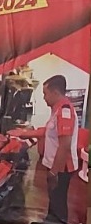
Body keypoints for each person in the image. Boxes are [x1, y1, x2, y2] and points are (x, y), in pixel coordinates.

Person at [9, 75, 78, 224]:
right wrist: (23, 133)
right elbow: (47, 131)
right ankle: (49, 220)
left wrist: (54, 171)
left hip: (61, 167)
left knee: (58, 204)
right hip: (54, 164)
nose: (44, 98)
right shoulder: (57, 109)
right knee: (53, 201)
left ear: (55, 92)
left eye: (45, 94)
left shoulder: (64, 111)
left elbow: (64, 144)